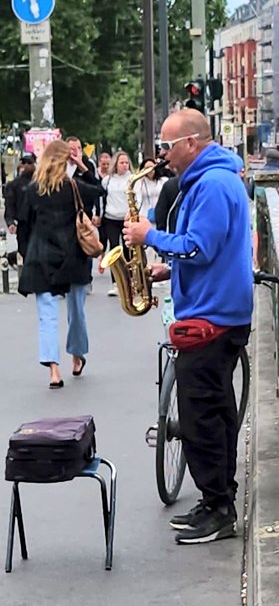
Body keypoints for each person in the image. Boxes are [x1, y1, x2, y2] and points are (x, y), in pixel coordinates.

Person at [123, 109, 253, 545]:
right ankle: (216, 499)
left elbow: (200, 247)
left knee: (201, 420)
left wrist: (150, 236)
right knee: (215, 412)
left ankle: (218, 508)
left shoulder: (213, 185)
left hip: (212, 319)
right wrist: (169, 271)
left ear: (192, 143)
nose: (162, 155)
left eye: (167, 146)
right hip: (218, 312)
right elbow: (205, 252)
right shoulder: (215, 180)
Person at [17, 140, 102, 388]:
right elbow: (100, 191)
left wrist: (26, 252)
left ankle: (53, 370)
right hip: (72, 255)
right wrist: (83, 166)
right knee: (76, 312)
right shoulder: (73, 186)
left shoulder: (33, 190)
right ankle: (77, 356)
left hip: (42, 255)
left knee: (47, 315)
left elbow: (25, 225)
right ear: (66, 160)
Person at [99, 149, 133, 296]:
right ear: (116, 164)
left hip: (126, 218)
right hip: (111, 218)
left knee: (128, 251)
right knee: (114, 249)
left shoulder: (133, 179)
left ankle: (129, 281)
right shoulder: (108, 180)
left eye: (126, 163)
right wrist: (99, 215)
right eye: (121, 163)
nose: (124, 165)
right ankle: (115, 282)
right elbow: (102, 199)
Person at [4, 152, 36, 266]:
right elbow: (10, 204)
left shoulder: (40, 182)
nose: (25, 166)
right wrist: (10, 221)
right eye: (23, 163)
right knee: (26, 252)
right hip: (24, 224)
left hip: (38, 223)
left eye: (28, 163)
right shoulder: (14, 185)